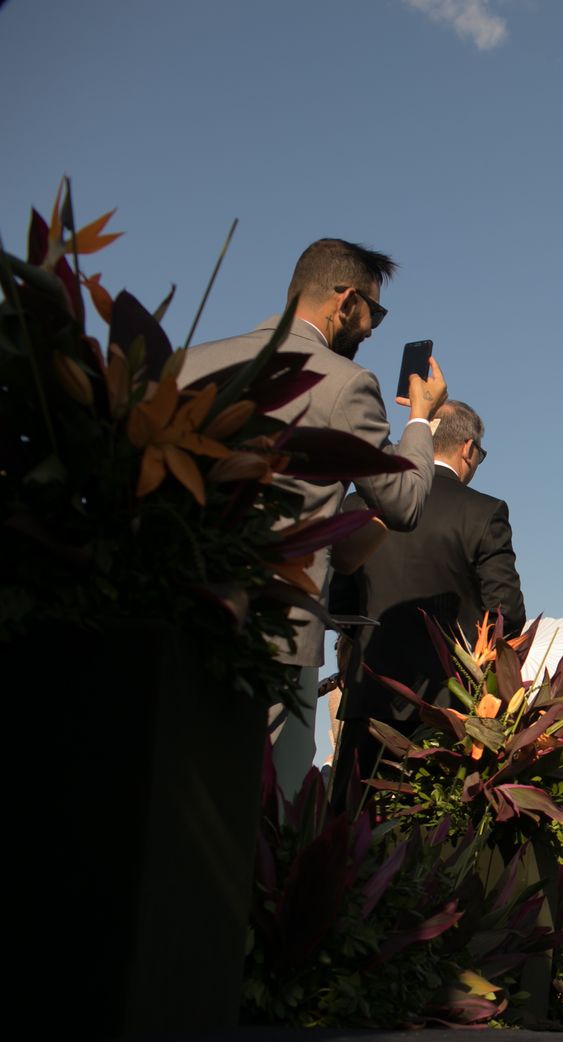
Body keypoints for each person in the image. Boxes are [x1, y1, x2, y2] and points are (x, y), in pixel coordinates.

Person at [177, 239, 440, 795]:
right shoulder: (345, 383)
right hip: (276, 632)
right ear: (345, 302)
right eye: (375, 311)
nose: (372, 328)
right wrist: (420, 420)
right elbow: (404, 501)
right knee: (268, 811)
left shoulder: (191, 364)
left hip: (175, 613)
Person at [330, 399, 525, 786]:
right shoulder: (484, 512)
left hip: (368, 701)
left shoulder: (357, 504)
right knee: (439, 838)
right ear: (468, 447)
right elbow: (507, 613)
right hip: (449, 709)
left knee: (354, 832)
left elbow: (338, 605)